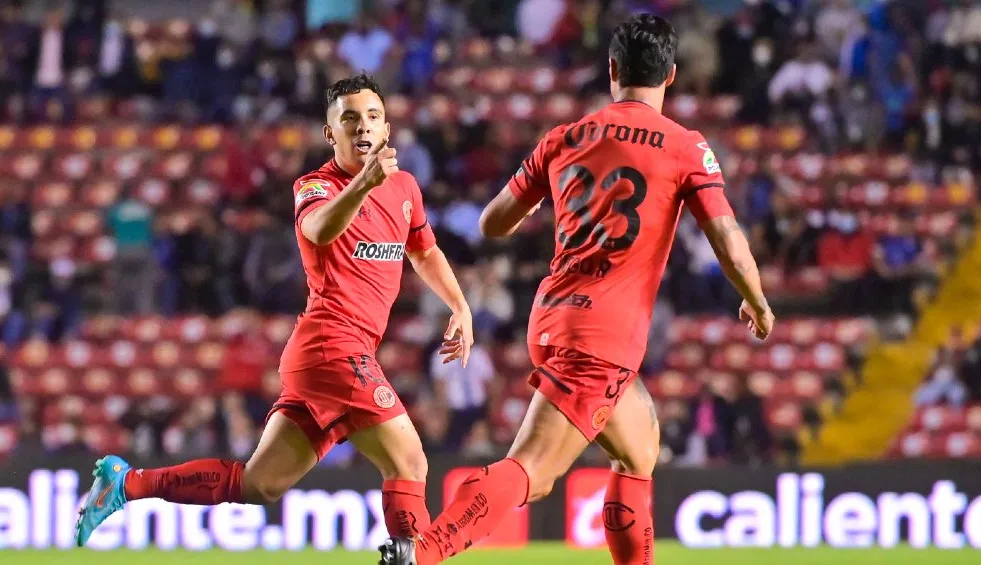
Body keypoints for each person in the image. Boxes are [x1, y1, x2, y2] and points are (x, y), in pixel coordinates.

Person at [379, 14, 774, 565]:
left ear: (612, 70)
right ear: (672, 76)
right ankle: (422, 551)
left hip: (553, 316)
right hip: (603, 335)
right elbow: (728, 240)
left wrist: (554, 192)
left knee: (640, 452)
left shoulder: (566, 137)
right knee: (533, 473)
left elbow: (492, 223)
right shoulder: (686, 148)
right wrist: (756, 299)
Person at [75, 74, 475, 547]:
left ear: (386, 129)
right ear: (331, 134)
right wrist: (364, 183)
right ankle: (415, 560)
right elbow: (320, 231)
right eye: (349, 119)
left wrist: (459, 306)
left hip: (331, 359)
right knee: (409, 462)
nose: (362, 126)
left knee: (259, 483)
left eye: (372, 117)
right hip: (332, 347)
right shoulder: (315, 186)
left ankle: (126, 483)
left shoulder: (405, 187)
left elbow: (424, 251)